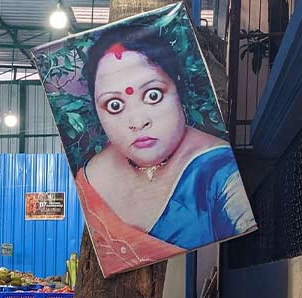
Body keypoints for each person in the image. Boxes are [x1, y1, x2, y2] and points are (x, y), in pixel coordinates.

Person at [74, 25, 256, 276]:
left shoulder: (218, 172)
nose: (137, 121)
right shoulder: (91, 176)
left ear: (178, 88)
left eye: (152, 95)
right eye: (114, 105)